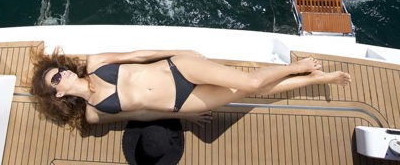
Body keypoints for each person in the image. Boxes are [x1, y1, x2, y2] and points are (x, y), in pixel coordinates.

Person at [30, 46, 351, 133]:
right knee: (253, 92)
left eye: (58, 70)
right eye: (56, 80)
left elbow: (139, 55)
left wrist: (179, 52)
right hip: (182, 103)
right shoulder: (95, 113)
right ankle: (319, 79)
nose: (62, 74)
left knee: (252, 81)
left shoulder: (95, 62)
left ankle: (297, 67)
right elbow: (142, 115)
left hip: (178, 68)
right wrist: (184, 117)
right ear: (59, 95)